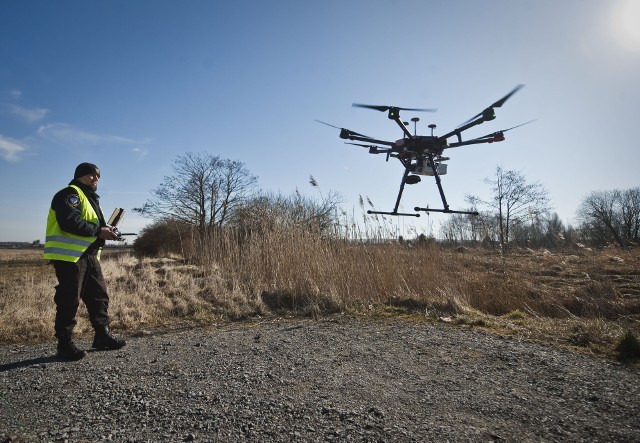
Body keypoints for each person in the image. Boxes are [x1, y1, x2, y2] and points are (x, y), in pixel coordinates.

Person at [43, 162, 126, 361]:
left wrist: (108, 231)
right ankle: (64, 345)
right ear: (80, 175)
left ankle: (102, 336)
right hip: (70, 258)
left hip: (90, 256)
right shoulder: (69, 194)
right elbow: (69, 221)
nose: (96, 178)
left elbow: (93, 226)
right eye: (92, 175)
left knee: (99, 297)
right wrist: (99, 231)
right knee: (69, 300)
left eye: (98, 176)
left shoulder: (90, 199)